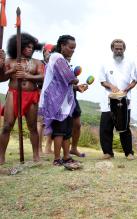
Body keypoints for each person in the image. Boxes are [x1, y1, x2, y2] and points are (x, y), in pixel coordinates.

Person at [0, 33, 44, 165]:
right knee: (7, 126)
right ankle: (1, 156)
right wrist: (9, 69)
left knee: (32, 127)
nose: (30, 49)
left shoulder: (37, 62)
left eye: (32, 47)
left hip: (31, 95)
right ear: (19, 47)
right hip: (13, 94)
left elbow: (43, 77)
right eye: (27, 46)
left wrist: (27, 75)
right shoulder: (9, 61)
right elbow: (1, 78)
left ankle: (36, 155)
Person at [39, 35, 79, 166]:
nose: (73, 50)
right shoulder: (57, 57)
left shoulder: (63, 59)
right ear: (62, 46)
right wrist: (75, 79)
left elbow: (64, 80)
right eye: (71, 47)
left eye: (74, 48)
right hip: (56, 101)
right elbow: (68, 77)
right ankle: (57, 159)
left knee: (67, 131)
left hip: (64, 102)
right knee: (59, 131)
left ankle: (66, 156)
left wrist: (77, 87)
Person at [99, 39, 137, 160]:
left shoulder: (130, 62)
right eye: (117, 48)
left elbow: (134, 80)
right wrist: (111, 86)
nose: (119, 51)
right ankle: (108, 152)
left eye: (121, 49)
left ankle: (128, 153)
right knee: (106, 127)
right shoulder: (105, 63)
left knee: (124, 127)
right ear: (112, 49)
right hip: (108, 100)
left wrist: (126, 90)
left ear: (124, 49)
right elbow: (102, 80)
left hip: (125, 100)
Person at [37, 44, 55, 154]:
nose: (49, 54)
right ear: (44, 52)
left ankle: (48, 147)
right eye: (47, 51)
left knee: (52, 122)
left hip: (54, 96)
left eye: (51, 52)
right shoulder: (40, 64)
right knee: (41, 122)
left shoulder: (56, 64)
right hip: (42, 94)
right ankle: (38, 148)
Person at [69, 63, 88, 158]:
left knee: (77, 125)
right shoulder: (59, 64)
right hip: (62, 100)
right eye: (70, 47)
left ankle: (73, 148)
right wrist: (76, 87)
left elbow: (71, 85)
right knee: (64, 127)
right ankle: (62, 152)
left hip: (73, 99)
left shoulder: (72, 66)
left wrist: (80, 87)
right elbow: (60, 84)